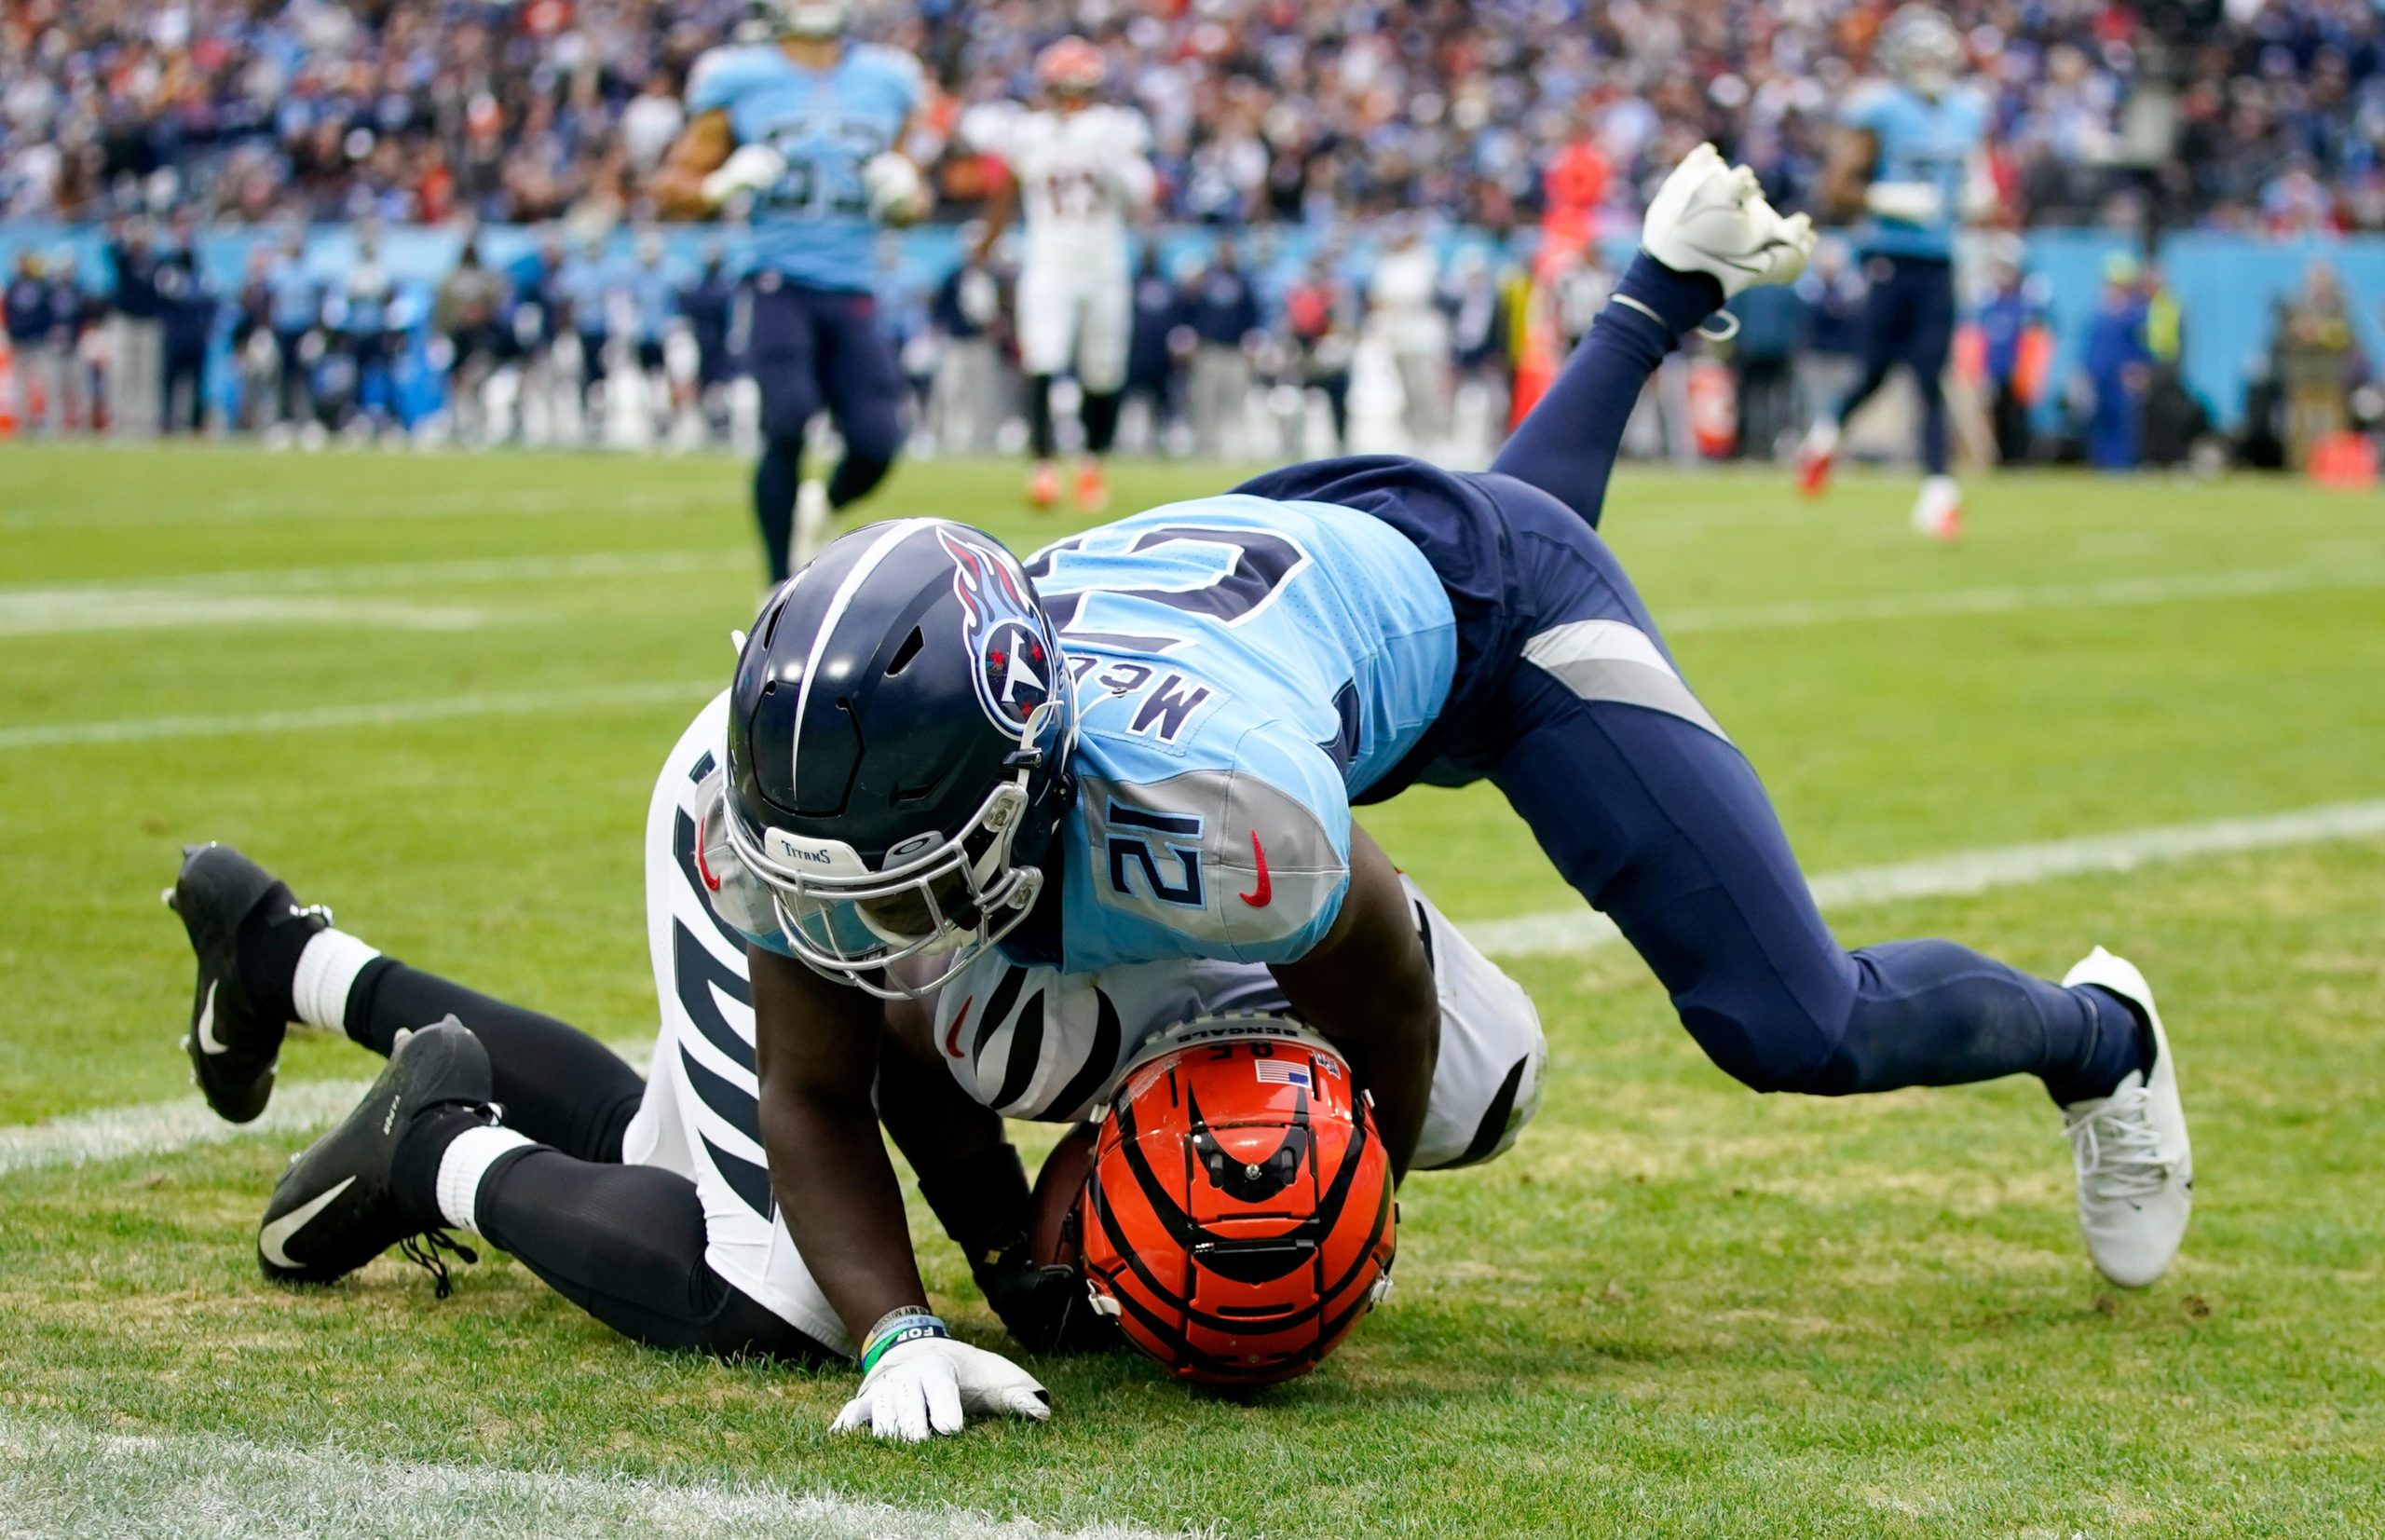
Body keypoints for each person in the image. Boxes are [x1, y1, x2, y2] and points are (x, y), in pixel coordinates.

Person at [706, 144, 2192, 1439]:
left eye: (915, 875)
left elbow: (1380, 968)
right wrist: (901, 1323)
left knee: (1794, 1022)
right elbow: (814, 1082)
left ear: (1027, 768)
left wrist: (1365, 1198)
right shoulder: (833, 768)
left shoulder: (1222, 808)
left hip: (1485, 623)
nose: (882, 920)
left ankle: (2100, 1036)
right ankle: (1660, 291)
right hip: (1296, 566)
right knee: (1467, 537)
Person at [160, 722, 1542, 1425]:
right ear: (1115, 1128)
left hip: (953, 820)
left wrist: (1008, 1244)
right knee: (773, 1284)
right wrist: (938, 1288)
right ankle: (437, 1147)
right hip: (809, 813)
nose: (1094, 1296)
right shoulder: (1035, 1010)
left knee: (668, 1148)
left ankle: (290, 959)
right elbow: (843, 1072)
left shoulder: (1468, 1073)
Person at [650, 0, 928, 581]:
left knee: (878, 440)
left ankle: (821, 506)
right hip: (777, 279)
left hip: (854, 282)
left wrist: (904, 197)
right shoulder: (740, 76)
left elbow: (915, 196)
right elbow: (669, 188)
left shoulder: (888, 77)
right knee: (786, 419)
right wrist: (721, 185)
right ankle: (777, 583)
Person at [1795, 4, 1994, 539]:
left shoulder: (1968, 111)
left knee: (1930, 375)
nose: (1929, 62)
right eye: (1918, 54)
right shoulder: (1879, 111)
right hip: (1887, 256)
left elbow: (1975, 175)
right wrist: (1884, 197)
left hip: (1939, 259)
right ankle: (1825, 434)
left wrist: (1979, 191)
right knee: (1876, 371)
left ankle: (1939, 494)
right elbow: (1834, 189)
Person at [961, 37, 1155, 513]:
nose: (1071, 98)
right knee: (1043, 360)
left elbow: (1142, 192)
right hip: (1048, 259)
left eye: (1079, 87)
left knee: (1103, 368)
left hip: (1103, 259)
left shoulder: (1116, 129)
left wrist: (1113, 161)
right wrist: (983, 251)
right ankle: (1044, 467)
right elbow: (1005, 194)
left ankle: (1091, 464)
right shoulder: (1028, 133)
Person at [1181, 239, 1261, 458]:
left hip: (1234, 351)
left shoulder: (1244, 281)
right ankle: (1204, 451)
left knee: (1234, 403)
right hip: (1208, 350)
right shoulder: (1204, 279)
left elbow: (1252, 317)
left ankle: (1231, 451)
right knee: (1205, 403)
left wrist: (1251, 346)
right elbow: (1191, 312)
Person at [1974, 242, 2046, 467]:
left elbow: (2035, 339)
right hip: (1995, 371)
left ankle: (2019, 461)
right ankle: (2000, 462)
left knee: (2017, 419)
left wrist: (2026, 370)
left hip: (2018, 373)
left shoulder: (2026, 304)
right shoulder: (1990, 303)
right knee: (1997, 418)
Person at [433, 238, 507, 446]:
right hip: (458, 337)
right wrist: (439, 334)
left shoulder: (485, 279)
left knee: (478, 381)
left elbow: (496, 306)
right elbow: (442, 312)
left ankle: (478, 427)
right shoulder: (454, 281)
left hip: (479, 339)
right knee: (456, 383)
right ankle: (459, 425)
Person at [104, 216, 167, 439]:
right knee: (122, 372)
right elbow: (110, 250)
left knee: (147, 374)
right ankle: (120, 418)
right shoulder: (125, 258)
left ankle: (146, 421)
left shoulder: (156, 261)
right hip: (125, 320)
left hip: (149, 321)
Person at [157, 215, 218, 436]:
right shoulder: (166, 264)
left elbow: (209, 299)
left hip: (195, 332)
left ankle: (195, 424)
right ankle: (166, 423)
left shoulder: (199, 264)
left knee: (196, 382)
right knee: (170, 381)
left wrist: (208, 325)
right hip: (174, 332)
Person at [677, 242, 741, 445]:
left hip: (718, 345)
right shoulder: (715, 289)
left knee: (719, 389)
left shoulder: (720, 289)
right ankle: (710, 426)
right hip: (702, 344)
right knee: (708, 388)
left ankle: (719, 426)